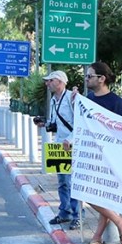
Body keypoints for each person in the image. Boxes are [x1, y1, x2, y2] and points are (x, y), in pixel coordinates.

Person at [75, 62, 122, 244]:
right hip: (92, 154)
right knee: (86, 192)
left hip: (110, 157)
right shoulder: (88, 99)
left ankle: (100, 236)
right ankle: (119, 222)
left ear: (102, 78)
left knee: (101, 195)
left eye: (89, 76)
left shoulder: (117, 102)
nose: (86, 79)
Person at [43, 70, 80, 230]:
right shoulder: (53, 100)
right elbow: (56, 122)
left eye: (50, 81)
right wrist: (45, 123)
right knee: (62, 181)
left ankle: (78, 215)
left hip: (72, 145)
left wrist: (70, 139)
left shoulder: (72, 98)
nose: (47, 84)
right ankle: (64, 212)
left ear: (60, 82)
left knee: (72, 181)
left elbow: (80, 123)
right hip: (59, 145)